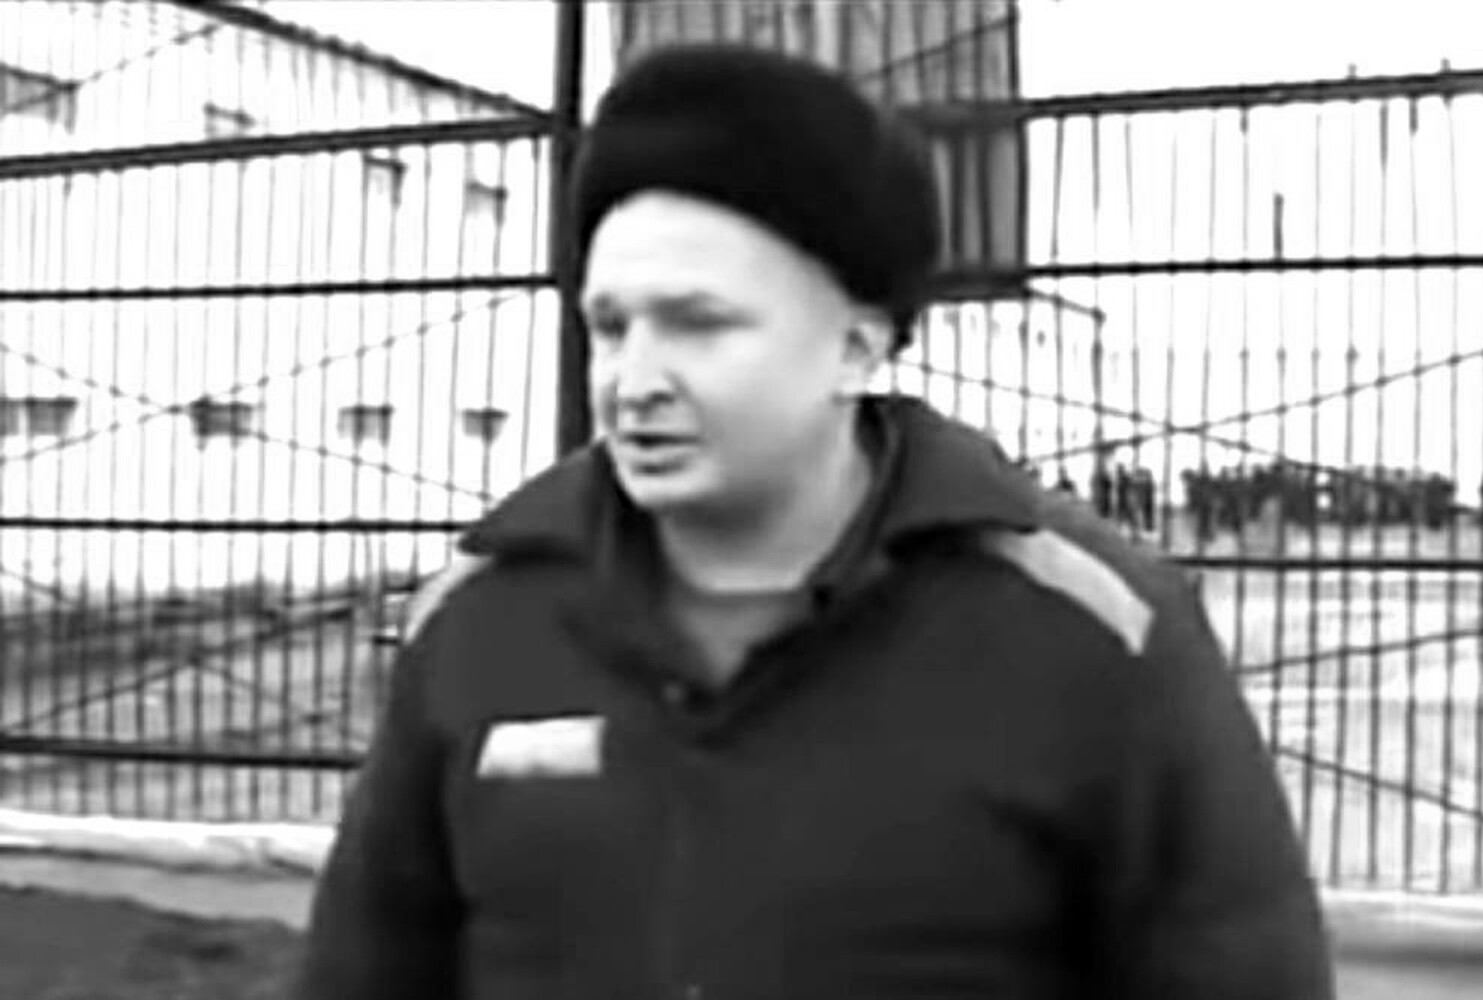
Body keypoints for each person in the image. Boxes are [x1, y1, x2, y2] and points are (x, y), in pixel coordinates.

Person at [296, 43, 1332, 1000]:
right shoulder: (481, 617)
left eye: (699, 324)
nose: (633, 380)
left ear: (857, 346)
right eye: (610, 326)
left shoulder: (1092, 629)